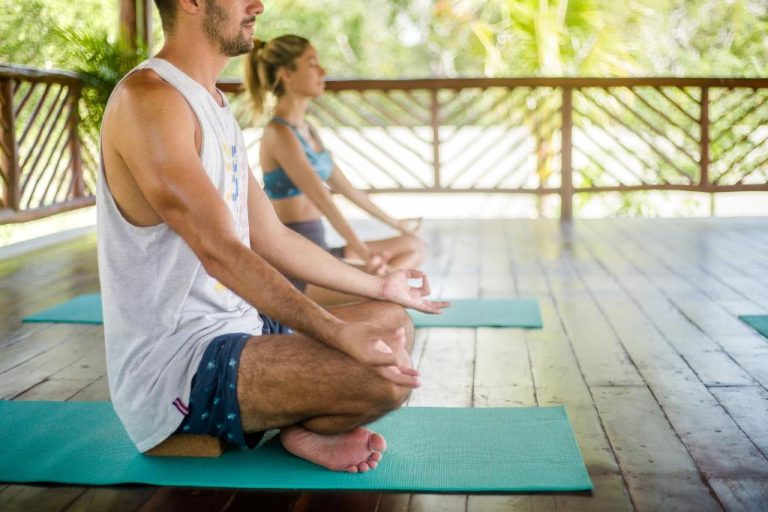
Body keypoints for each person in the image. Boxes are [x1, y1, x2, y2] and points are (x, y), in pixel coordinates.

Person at [97, 0, 447, 473]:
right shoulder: (149, 99)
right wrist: (338, 333)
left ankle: (297, 427)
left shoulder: (214, 106)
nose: (258, 5)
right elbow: (221, 252)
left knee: (393, 323)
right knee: (385, 380)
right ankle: (294, 418)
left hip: (243, 329)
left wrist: (380, 286)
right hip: (179, 367)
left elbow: (273, 238)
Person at [244, 35, 425, 302]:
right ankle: (370, 293)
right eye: (312, 64)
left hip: (322, 252)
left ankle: (373, 291)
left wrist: (397, 224)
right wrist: (363, 253)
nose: (323, 71)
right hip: (297, 268)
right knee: (384, 289)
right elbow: (323, 199)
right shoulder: (278, 134)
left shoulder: (308, 131)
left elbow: (349, 191)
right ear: (286, 75)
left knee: (413, 245)